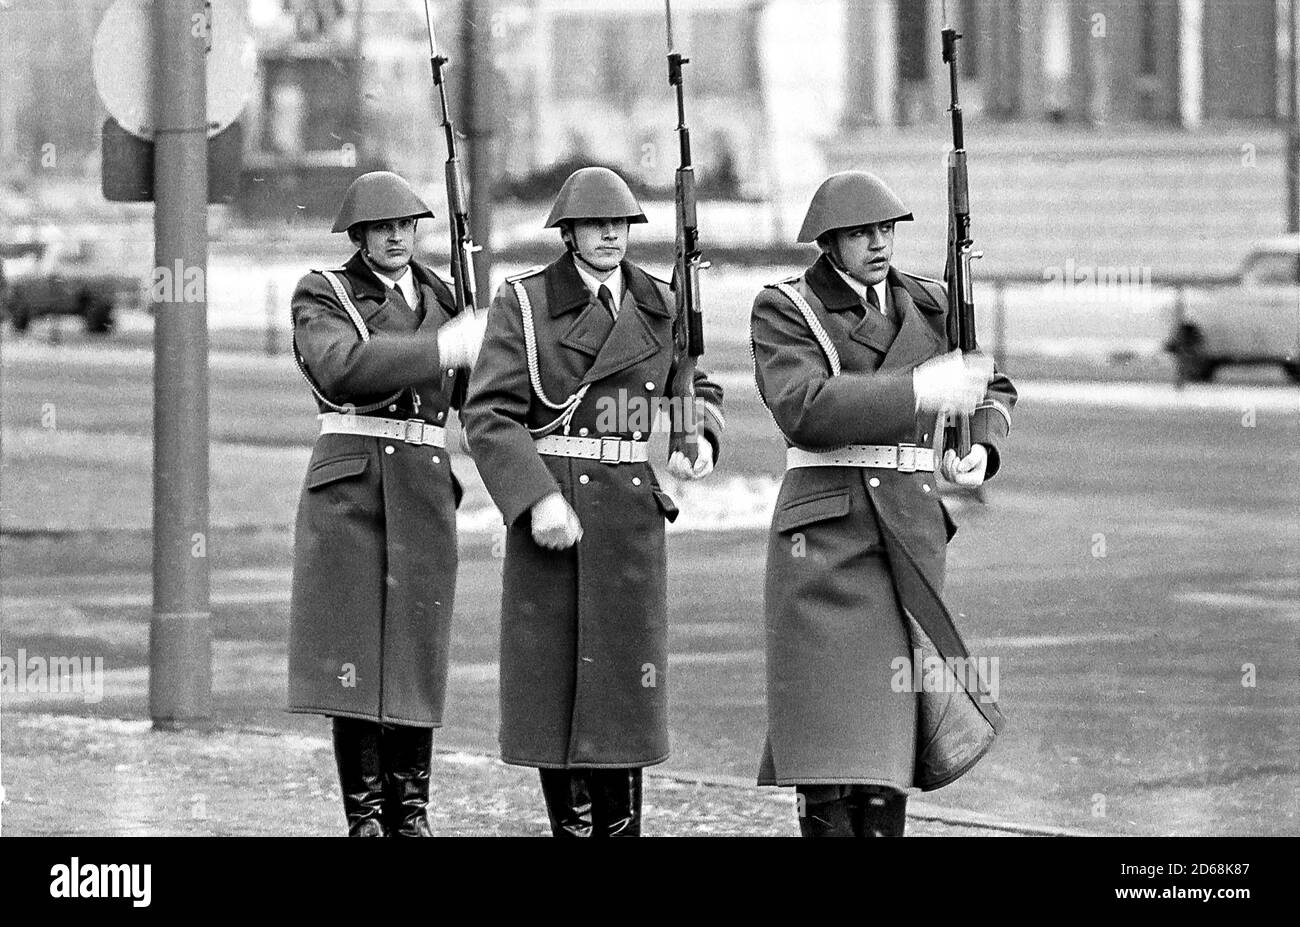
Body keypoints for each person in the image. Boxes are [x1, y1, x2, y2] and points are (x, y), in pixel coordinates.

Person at [749, 170, 1017, 837]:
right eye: (861, 233)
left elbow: (993, 387)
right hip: (827, 540)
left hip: (908, 534)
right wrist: (922, 388)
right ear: (830, 242)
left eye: (886, 231)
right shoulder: (788, 307)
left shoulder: (930, 302)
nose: (878, 244)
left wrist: (979, 445)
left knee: (891, 747)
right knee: (830, 738)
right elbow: (803, 407)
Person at [462, 167, 724, 837]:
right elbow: (491, 415)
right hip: (559, 512)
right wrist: (535, 498)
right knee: (560, 687)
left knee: (623, 693)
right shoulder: (523, 303)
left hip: (629, 518)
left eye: (623, 223)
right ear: (568, 231)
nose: (612, 233)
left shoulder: (661, 301)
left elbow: (694, 385)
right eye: (596, 224)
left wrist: (697, 437)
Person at [286, 170, 485, 836]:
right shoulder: (325, 292)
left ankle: (414, 813)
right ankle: (367, 818)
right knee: (357, 656)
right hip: (354, 483)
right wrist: (443, 345)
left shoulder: (443, 295)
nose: (397, 235)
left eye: (406, 224)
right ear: (359, 234)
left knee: (415, 651)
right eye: (382, 226)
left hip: (424, 483)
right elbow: (343, 367)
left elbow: (485, 401)